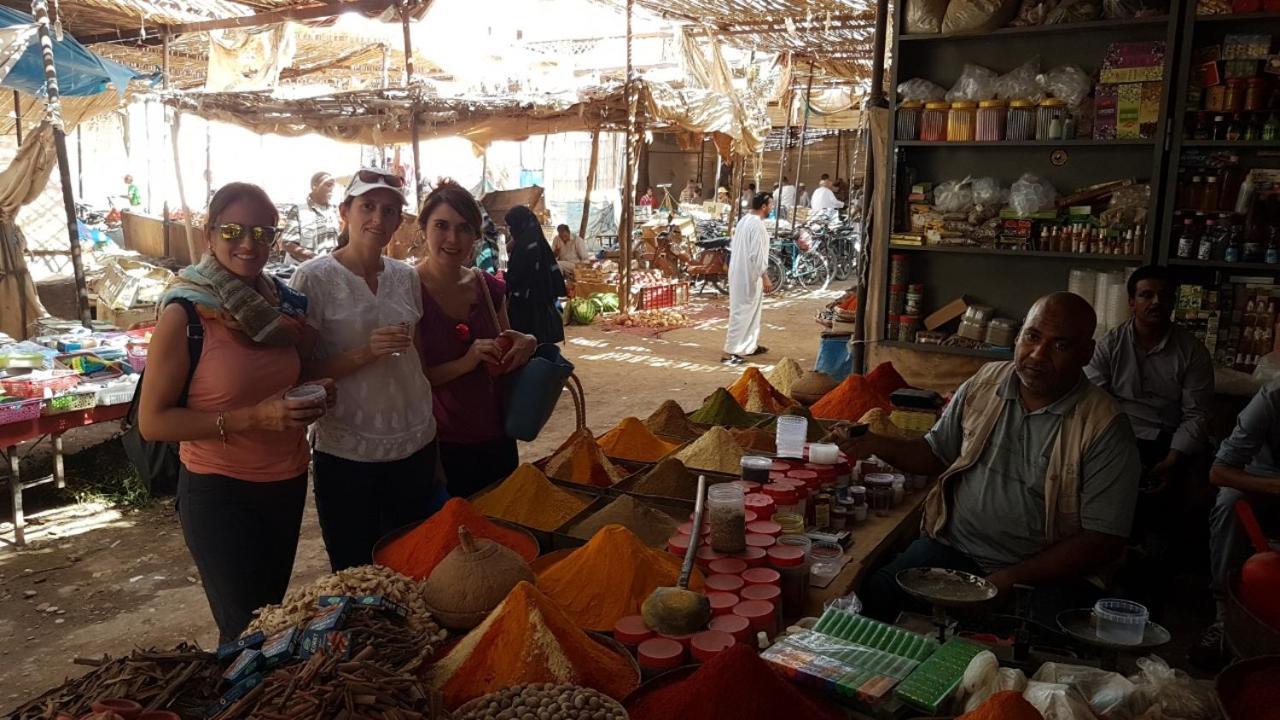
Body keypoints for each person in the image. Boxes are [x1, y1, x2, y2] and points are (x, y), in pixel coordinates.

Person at [841, 293, 1141, 624]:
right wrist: (873, 443)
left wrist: (1008, 580)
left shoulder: (1104, 426)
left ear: (1086, 354)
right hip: (954, 550)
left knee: (1022, 655)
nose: (1037, 355)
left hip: (1045, 576)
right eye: (1032, 336)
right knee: (872, 599)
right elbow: (934, 454)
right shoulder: (985, 382)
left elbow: (1104, 541)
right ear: (1018, 336)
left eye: (1060, 345)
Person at [138, 182, 335, 642]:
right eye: (233, 230)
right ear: (209, 235)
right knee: (246, 634)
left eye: (263, 233)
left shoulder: (278, 305)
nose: (249, 244)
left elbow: (287, 375)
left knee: (270, 621)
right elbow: (153, 421)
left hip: (284, 485)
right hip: (221, 493)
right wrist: (254, 419)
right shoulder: (186, 312)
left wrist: (317, 391)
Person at [289, 167, 441, 572]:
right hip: (349, 451)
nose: (378, 218)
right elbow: (299, 372)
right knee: (355, 570)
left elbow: (418, 362)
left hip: (414, 442)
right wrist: (364, 352)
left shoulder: (406, 277)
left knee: (409, 566)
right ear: (345, 212)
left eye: (390, 211)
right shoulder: (314, 278)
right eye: (368, 206)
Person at [1086, 265, 1214, 598]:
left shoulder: (1192, 351)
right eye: (1146, 295)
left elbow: (1196, 415)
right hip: (1117, 435)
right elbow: (1095, 401)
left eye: (1164, 296)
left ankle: (1148, 589)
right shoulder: (1110, 343)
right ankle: (1096, 575)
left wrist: (1173, 459)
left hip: (1165, 441)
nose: (1155, 302)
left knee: (1169, 512)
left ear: (1173, 303)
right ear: (1131, 301)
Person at [415, 181, 537, 497]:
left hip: (496, 435)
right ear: (423, 228)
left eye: (464, 228)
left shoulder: (487, 288)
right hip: (441, 445)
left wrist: (526, 342)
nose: (452, 239)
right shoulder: (407, 290)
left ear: (476, 236)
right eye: (441, 226)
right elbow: (414, 378)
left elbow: (508, 348)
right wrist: (466, 362)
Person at [1197, 383, 1280, 668]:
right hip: (1266, 483)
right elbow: (1220, 472)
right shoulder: (1273, 396)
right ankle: (1225, 618)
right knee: (1231, 500)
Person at [723, 192, 774, 366]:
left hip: (741, 272)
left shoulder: (745, 221)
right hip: (748, 274)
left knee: (751, 311)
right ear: (764, 207)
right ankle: (730, 352)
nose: (772, 208)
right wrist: (765, 276)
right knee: (741, 312)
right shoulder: (757, 225)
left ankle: (749, 346)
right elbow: (756, 254)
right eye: (771, 205)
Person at [504, 206, 567, 345]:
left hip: (529, 307)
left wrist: (505, 279)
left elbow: (518, 276)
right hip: (542, 304)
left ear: (519, 225)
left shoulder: (527, 246)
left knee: (531, 348)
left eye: (511, 226)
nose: (510, 230)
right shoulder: (535, 240)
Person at [281, 172, 340, 266]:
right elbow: (287, 244)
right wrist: (315, 259)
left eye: (333, 185)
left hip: (328, 269)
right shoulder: (298, 210)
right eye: (328, 185)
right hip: (301, 271)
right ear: (314, 186)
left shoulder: (334, 210)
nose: (332, 189)